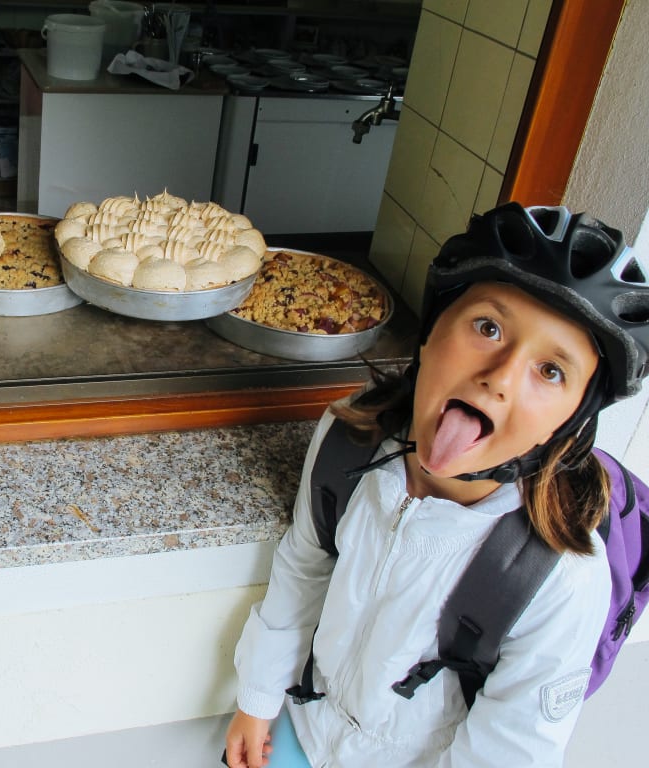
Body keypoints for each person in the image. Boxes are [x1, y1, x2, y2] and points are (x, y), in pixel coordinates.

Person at [224, 202, 649, 768]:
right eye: (488, 327)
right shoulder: (346, 441)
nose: (498, 376)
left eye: (551, 370)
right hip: (303, 728)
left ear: (570, 422)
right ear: (431, 332)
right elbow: (305, 564)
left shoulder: (557, 577)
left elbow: (507, 751)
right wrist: (256, 696)